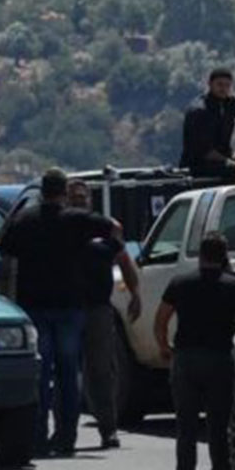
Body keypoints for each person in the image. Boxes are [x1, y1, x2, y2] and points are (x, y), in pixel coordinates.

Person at [0, 169, 120, 459]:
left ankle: (38, 435)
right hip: (70, 306)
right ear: (63, 193)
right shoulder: (76, 220)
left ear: (42, 191)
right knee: (69, 374)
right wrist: (109, 249)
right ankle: (67, 437)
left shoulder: (25, 219)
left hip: (35, 306)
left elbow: (4, 247)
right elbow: (114, 227)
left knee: (40, 374)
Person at [152, 232, 235, 470]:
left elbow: (161, 318)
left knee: (185, 430)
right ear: (224, 257)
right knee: (217, 429)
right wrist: (232, 279)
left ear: (200, 256)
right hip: (218, 360)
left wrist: (164, 347)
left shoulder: (180, 283)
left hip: (185, 360)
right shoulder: (234, 286)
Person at [66, 179, 141, 450]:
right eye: (73, 198)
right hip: (66, 310)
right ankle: (64, 433)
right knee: (65, 372)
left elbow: (124, 261)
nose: (78, 202)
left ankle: (108, 430)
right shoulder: (61, 229)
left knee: (102, 371)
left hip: (98, 309)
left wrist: (135, 294)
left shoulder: (105, 229)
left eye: (82, 198)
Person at [179, 68, 235, 180]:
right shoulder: (199, 110)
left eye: (227, 85)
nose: (223, 89)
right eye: (220, 85)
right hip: (198, 165)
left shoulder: (230, 104)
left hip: (224, 161)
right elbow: (204, 150)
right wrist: (232, 163)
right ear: (210, 84)